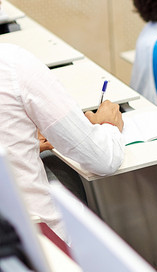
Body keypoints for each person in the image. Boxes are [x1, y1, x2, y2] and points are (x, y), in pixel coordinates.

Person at [0, 43, 124, 240]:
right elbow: (103, 160)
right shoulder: (13, 65)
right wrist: (108, 124)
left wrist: (22, 145)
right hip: (39, 240)